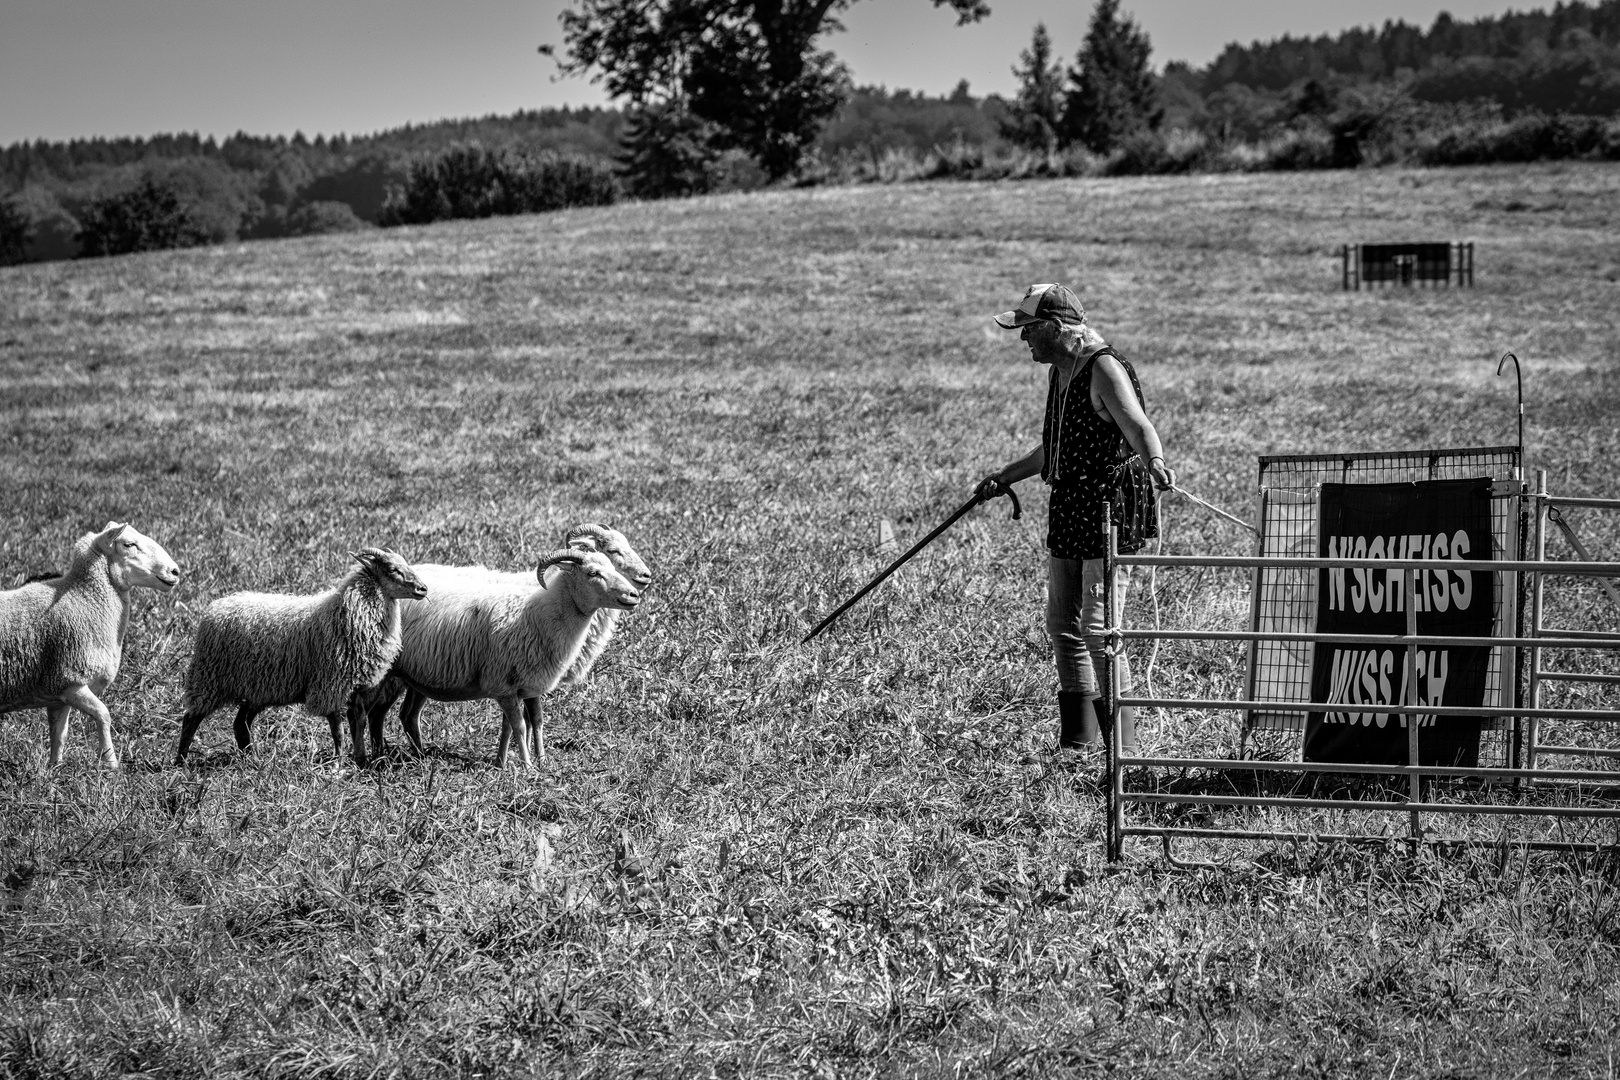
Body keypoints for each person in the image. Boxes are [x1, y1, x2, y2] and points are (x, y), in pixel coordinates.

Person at [976, 283, 1176, 753]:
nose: (1023, 339)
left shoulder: (1102, 367)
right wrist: (1007, 475)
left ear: (1054, 327)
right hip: (1069, 504)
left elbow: (1138, 425)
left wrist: (1156, 462)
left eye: (1027, 330)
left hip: (1107, 508)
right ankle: (1080, 743)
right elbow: (1058, 446)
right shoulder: (1061, 370)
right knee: (1061, 622)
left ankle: (1122, 750)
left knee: (1098, 625)